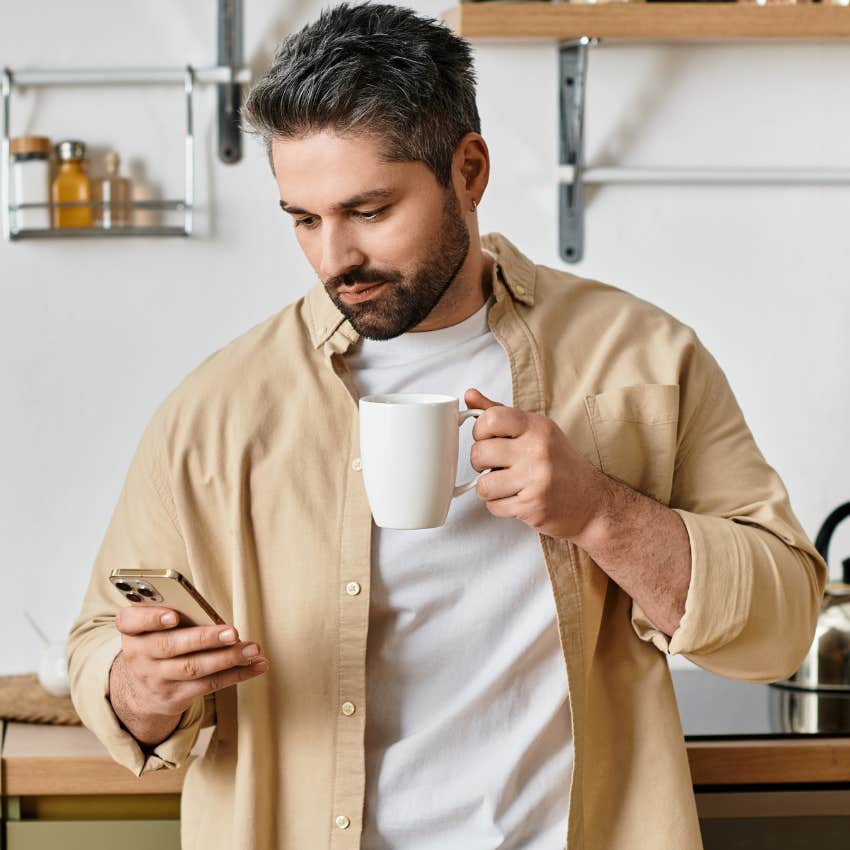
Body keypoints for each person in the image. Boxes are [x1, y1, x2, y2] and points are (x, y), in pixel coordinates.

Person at [67, 4, 826, 850]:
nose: (333, 259)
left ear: (469, 171)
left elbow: (783, 626)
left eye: (368, 209)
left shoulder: (646, 358)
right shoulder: (215, 411)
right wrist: (143, 689)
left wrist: (601, 513)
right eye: (304, 219)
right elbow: (102, 649)